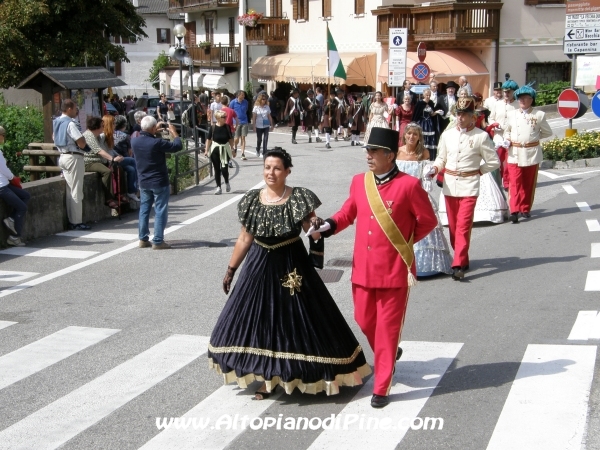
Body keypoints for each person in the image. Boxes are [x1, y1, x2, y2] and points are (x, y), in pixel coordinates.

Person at [208, 147, 371, 400]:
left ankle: (289, 373)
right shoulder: (252, 200)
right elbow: (244, 238)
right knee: (257, 320)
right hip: (258, 265)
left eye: (276, 168)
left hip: (290, 265)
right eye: (267, 167)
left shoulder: (299, 199)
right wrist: (231, 269)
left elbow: (313, 234)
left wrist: (316, 228)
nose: (270, 173)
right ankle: (266, 376)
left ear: (287, 172)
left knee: (293, 321)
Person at [311, 127, 437, 408]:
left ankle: (382, 383)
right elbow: (347, 213)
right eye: (367, 151)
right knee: (364, 320)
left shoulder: (409, 185)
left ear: (389, 155)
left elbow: (427, 220)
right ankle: (388, 353)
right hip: (363, 270)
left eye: (373, 151)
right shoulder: (359, 182)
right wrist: (327, 227)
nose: (368, 156)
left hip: (394, 271)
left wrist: (405, 240)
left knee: (388, 330)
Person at [430, 97, 500, 281]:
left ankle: (458, 264)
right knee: (453, 228)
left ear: (472, 117)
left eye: (465, 115)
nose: (460, 118)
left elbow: (494, 161)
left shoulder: (480, 136)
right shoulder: (447, 135)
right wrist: (434, 169)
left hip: (469, 186)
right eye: (458, 114)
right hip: (450, 186)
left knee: (463, 226)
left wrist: (479, 171)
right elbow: (441, 158)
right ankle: (464, 257)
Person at [396, 123, 452, 277]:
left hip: (419, 194)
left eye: (415, 134)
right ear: (404, 135)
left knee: (425, 226)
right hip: (401, 195)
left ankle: (425, 266)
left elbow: (426, 179)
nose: (411, 137)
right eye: (409, 134)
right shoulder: (397, 152)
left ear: (419, 137)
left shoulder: (424, 153)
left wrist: (428, 174)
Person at [503, 85, 553, 223]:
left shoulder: (539, 115)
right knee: (514, 182)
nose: (523, 100)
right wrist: (507, 139)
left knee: (528, 183)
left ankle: (525, 208)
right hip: (515, 153)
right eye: (520, 98)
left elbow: (548, 132)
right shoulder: (512, 114)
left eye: (526, 98)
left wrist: (534, 139)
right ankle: (514, 209)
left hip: (531, 152)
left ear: (532, 100)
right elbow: (507, 130)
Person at [131, 116, 182, 250]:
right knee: (160, 210)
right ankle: (158, 241)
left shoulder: (134, 141)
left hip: (143, 181)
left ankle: (143, 239)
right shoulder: (157, 143)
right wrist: (174, 132)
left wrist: (153, 130)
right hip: (159, 181)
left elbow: (147, 136)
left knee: (144, 209)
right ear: (153, 128)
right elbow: (177, 146)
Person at [54, 99, 91, 230]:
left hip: (63, 156)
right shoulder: (70, 123)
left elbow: (54, 137)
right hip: (73, 157)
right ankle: (76, 222)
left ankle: (72, 220)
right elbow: (80, 141)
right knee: (76, 190)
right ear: (69, 108)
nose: (76, 111)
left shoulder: (57, 122)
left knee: (70, 190)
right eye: (75, 108)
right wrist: (85, 147)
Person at [82, 117, 124, 211]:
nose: (103, 127)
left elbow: (105, 149)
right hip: (89, 161)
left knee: (118, 168)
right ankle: (109, 198)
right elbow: (99, 151)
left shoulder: (97, 136)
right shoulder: (89, 136)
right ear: (97, 127)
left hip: (99, 160)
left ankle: (120, 194)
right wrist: (112, 159)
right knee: (106, 171)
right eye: (102, 126)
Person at [0, 127, 30, 246]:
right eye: (3, 135)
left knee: (25, 195)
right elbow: (4, 169)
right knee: (22, 207)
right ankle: (15, 237)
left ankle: (11, 219)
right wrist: (13, 178)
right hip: (2, 186)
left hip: (4, 184)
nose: (4, 137)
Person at [490, 80, 520, 191]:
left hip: (511, 137)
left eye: (509, 92)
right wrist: (494, 125)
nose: (506, 94)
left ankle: (507, 183)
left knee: (509, 161)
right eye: (505, 92)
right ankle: (498, 180)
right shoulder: (497, 104)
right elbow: (491, 118)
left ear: (513, 92)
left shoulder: (517, 105)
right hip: (498, 136)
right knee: (497, 160)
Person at [205, 110, 235, 195]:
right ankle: (218, 187)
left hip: (225, 149)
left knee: (224, 169)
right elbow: (209, 139)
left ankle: (226, 182)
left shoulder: (227, 127)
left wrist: (233, 149)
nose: (225, 118)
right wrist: (206, 150)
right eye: (223, 117)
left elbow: (230, 139)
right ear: (218, 118)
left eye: (225, 117)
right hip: (215, 150)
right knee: (217, 169)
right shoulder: (213, 127)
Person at [112, 116, 140, 201]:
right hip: (120, 159)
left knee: (131, 169)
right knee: (133, 162)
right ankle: (135, 190)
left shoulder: (111, 134)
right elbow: (130, 152)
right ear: (124, 125)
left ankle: (132, 191)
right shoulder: (126, 136)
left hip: (116, 158)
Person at [412, 88, 440, 161]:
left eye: (429, 95)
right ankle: (420, 155)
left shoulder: (431, 103)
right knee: (422, 138)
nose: (428, 96)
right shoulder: (420, 103)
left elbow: (432, 113)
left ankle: (430, 156)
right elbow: (416, 114)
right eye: (427, 95)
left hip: (429, 123)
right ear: (423, 95)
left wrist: (436, 112)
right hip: (422, 123)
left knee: (430, 139)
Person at [252, 93, 274, 158]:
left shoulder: (267, 107)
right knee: (259, 139)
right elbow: (254, 117)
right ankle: (258, 149)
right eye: (263, 99)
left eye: (265, 99)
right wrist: (254, 126)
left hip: (266, 125)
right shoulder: (256, 107)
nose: (264, 101)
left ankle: (265, 151)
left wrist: (271, 124)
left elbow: (269, 116)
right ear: (260, 99)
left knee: (266, 138)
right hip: (258, 125)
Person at [230, 90, 249, 160]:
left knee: (243, 137)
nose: (243, 96)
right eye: (242, 95)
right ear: (238, 95)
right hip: (236, 122)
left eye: (244, 95)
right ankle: (235, 146)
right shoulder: (233, 102)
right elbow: (230, 112)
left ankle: (243, 153)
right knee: (236, 138)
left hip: (244, 121)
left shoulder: (246, 102)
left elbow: (246, 110)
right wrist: (233, 122)